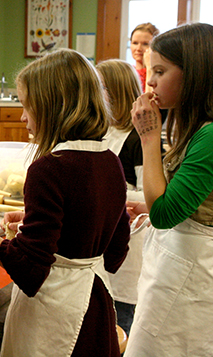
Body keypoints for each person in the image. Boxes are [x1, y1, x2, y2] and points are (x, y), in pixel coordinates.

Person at [0, 49, 131, 357]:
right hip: (96, 304)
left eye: (27, 106)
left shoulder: (49, 167)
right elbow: (115, 251)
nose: (22, 117)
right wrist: (35, 218)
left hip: (57, 314)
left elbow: (29, 270)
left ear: (51, 108)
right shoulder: (110, 161)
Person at [124, 23, 213, 356]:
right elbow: (184, 203)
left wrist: (149, 137)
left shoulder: (211, 136)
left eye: (161, 71)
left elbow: (166, 214)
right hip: (184, 266)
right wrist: (148, 207)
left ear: (194, 74)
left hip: (191, 274)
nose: (150, 82)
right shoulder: (199, 128)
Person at [96, 59, 150, 335]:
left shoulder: (136, 139)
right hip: (106, 240)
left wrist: (106, 191)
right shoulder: (101, 131)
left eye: (99, 87)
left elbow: (148, 193)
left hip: (131, 243)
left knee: (121, 323)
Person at [129, 22, 159, 91]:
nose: (138, 48)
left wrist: (149, 67)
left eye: (145, 44)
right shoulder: (128, 73)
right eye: (135, 43)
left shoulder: (159, 74)